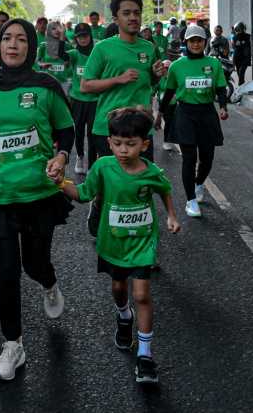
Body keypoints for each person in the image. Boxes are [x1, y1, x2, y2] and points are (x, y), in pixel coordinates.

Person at [0, 18, 74, 381]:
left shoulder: (45, 85)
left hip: (38, 191)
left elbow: (65, 128)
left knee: (34, 263)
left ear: (32, 46)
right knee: (3, 271)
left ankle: (50, 282)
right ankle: (13, 345)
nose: (12, 45)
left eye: (21, 39)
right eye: (6, 38)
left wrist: (61, 157)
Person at [56, 107, 180, 385]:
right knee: (118, 288)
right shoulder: (102, 167)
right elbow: (84, 194)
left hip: (143, 243)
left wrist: (171, 216)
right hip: (112, 243)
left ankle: (145, 356)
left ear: (145, 144)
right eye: (118, 144)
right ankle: (124, 316)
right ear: (109, 142)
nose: (124, 150)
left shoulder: (151, 171)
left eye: (131, 144)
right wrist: (60, 183)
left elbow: (164, 189)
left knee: (142, 294)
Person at [81, 0, 168, 236]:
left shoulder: (149, 48)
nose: (133, 17)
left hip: (141, 130)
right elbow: (86, 85)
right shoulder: (103, 49)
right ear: (116, 18)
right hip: (108, 129)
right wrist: (117, 79)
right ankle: (99, 206)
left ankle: (142, 242)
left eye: (137, 13)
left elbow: (149, 83)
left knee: (141, 185)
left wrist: (155, 74)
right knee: (111, 185)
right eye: (126, 13)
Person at [159, 25, 228, 218]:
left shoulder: (213, 64)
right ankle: (190, 201)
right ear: (186, 43)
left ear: (205, 42)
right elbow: (170, 92)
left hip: (207, 113)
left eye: (199, 40)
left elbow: (221, 88)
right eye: (192, 41)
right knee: (189, 157)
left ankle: (199, 184)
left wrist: (223, 107)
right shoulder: (177, 66)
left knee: (207, 158)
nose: (196, 44)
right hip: (185, 113)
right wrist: (160, 114)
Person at [66, 22, 98, 174]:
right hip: (77, 100)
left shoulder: (97, 53)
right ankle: (80, 156)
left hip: (95, 100)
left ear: (90, 36)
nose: (83, 39)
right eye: (79, 37)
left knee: (93, 133)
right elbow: (58, 54)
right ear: (76, 39)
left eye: (85, 36)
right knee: (78, 131)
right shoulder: (73, 54)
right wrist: (57, 37)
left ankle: (92, 164)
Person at [36, 21, 71, 86]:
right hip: (48, 82)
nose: (57, 31)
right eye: (53, 29)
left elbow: (75, 61)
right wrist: (42, 64)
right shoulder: (43, 46)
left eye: (59, 28)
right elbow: (37, 62)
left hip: (64, 82)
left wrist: (69, 63)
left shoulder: (67, 46)